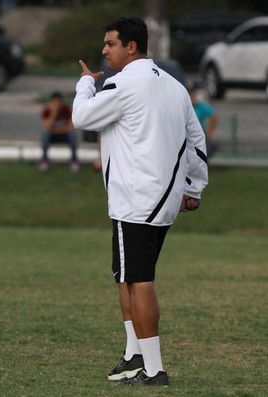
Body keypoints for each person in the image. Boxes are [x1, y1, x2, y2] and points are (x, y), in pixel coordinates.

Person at [72, 17, 208, 386]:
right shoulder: (176, 87)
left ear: (131, 47)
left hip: (136, 198)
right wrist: (194, 187)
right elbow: (195, 139)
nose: (104, 51)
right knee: (127, 276)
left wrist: (87, 83)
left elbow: (82, 117)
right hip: (160, 198)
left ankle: (153, 369)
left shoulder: (121, 83)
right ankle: (134, 356)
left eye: (110, 44)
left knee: (140, 280)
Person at [39, 91, 80, 172]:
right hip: (52, 136)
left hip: (64, 135)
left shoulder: (67, 109)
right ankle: (44, 161)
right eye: (54, 101)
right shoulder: (47, 111)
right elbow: (46, 127)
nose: (56, 103)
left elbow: (70, 127)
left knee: (72, 135)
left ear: (62, 102)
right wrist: (54, 113)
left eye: (58, 101)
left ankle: (74, 161)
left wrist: (54, 130)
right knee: (45, 135)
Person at [188, 82, 219, 158]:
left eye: (193, 94)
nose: (192, 96)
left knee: (211, 145)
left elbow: (213, 116)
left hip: (199, 136)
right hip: (187, 136)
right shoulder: (183, 106)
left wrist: (209, 133)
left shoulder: (199, 105)